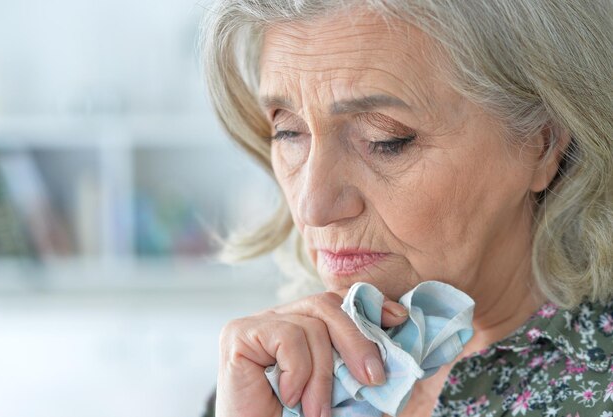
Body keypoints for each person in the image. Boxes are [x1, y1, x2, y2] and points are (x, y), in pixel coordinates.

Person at [200, 1, 613, 416]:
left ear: (541, 146)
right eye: (288, 131)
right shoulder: (269, 381)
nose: (312, 208)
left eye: (385, 139)